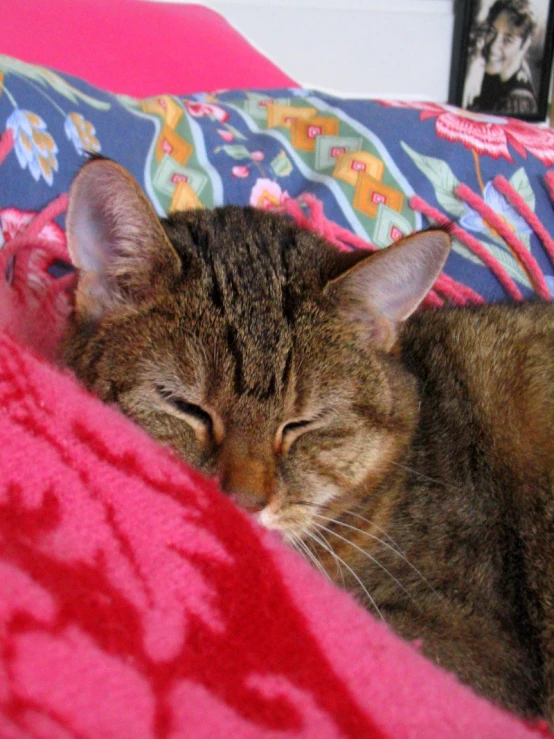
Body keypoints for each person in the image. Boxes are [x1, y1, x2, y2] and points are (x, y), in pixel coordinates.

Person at [463, 0, 537, 116]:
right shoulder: (498, 73)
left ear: (525, 44)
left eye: (507, 40)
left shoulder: (516, 103)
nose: (493, 47)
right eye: (491, 32)